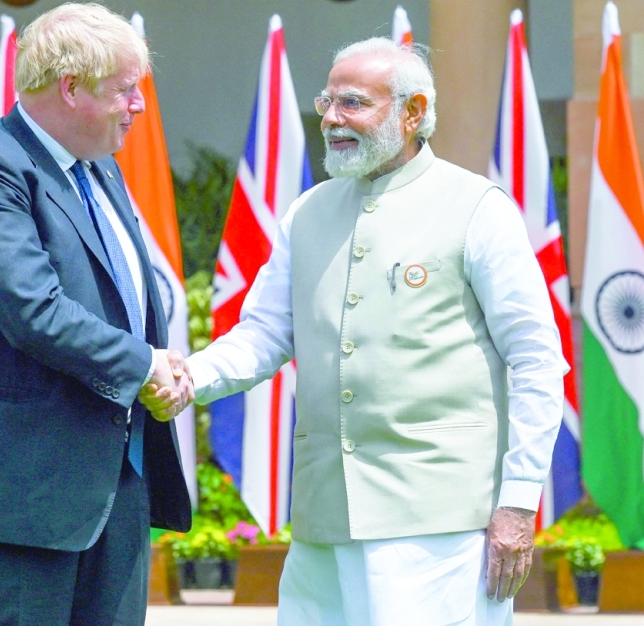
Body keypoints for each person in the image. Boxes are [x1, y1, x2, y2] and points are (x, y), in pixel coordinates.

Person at [168, 38, 567, 625]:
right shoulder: (307, 212)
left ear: (413, 112)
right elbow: (262, 335)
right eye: (327, 101)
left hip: (441, 524)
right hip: (325, 519)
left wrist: (518, 502)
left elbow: (536, 360)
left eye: (352, 103)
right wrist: (186, 375)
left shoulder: (477, 206)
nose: (331, 118)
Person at [0, 3, 192, 626]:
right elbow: (32, 311)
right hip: (18, 508)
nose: (139, 107)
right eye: (127, 90)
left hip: (114, 494)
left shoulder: (102, 170)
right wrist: (145, 365)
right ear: (71, 88)